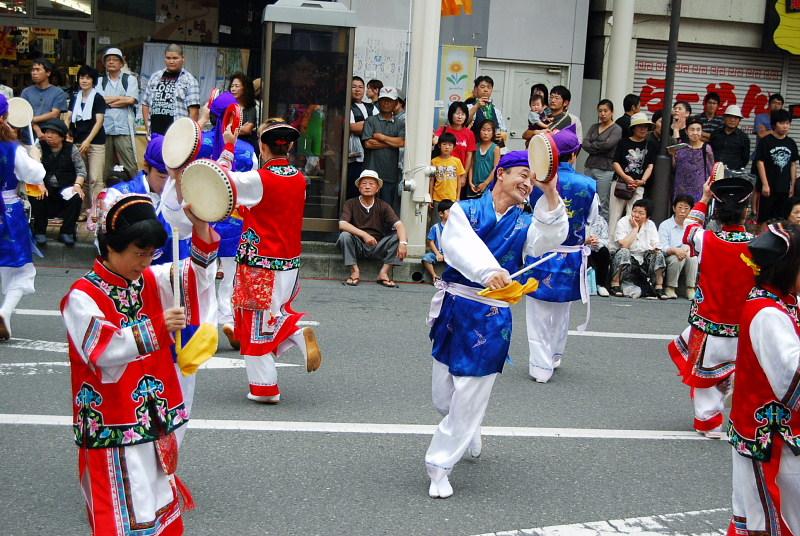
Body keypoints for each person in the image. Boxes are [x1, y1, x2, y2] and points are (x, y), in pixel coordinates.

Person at [61, 193, 220, 535]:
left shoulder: (148, 279)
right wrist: (160, 325)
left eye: (150, 254)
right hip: (113, 428)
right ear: (111, 247)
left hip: (153, 421)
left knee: (156, 509)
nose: (145, 262)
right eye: (138, 253)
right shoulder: (82, 296)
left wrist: (202, 229)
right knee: (124, 519)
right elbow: (103, 349)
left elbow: (196, 278)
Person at [425, 150, 567, 498]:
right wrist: (488, 270)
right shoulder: (465, 209)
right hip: (455, 307)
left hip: (491, 316)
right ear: (500, 173)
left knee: (470, 391)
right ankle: (467, 422)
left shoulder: (526, 223)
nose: (526, 183)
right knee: (443, 397)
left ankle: (439, 466)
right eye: (522, 174)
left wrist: (549, 192)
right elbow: (458, 244)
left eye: (531, 179)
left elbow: (550, 238)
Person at [189, 119, 323, 404]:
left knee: (255, 321)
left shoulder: (259, 178)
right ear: (287, 148)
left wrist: (228, 145)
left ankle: (265, 387)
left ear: (263, 147)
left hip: (260, 262)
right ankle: (297, 335)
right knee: (274, 311)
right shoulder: (299, 178)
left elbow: (220, 180)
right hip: (289, 262)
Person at [727, 222, 800, 536]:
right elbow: (791, 374)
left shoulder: (781, 302)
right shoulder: (768, 313)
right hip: (773, 439)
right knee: (778, 520)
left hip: (772, 434)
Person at [668, 175, 754, 437]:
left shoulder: (707, 239)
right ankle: (731, 388)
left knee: (705, 371)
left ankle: (709, 421)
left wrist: (704, 197)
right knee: (739, 366)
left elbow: (689, 228)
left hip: (709, 320)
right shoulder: (758, 244)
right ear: (746, 212)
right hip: (743, 322)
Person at [524, 124, 598, 383]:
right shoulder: (589, 185)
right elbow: (591, 219)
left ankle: (540, 366)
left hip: (541, 253)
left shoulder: (535, 182)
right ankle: (555, 356)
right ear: (575, 155)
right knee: (561, 312)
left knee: (538, 313)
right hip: (571, 256)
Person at [193, 92, 259, 350]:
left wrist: (202, 119)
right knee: (232, 276)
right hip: (235, 218)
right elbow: (252, 188)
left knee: (204, 275)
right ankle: (229, 319)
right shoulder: (246, 150)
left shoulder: (201, 143)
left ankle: (206, 327)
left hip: (204, 218)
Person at [103, 135, 191, 265]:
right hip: (135, 275)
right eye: (162, 176)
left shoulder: (185, 197)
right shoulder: (120, 196)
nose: (168, 184)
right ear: (146, 166)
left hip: (175, 275)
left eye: (174, 177)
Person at [0, 94, 46, 340]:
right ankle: (5, 312)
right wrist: (35, 156)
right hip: (7, 211)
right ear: (5, 118)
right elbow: (35, 175)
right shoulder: (11, 148)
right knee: (21, 269)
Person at [337, 169, 409, 287]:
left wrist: (403, 243)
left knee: (400, 236)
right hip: (357, 245)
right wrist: (364, 235)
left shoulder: (383, 205)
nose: (367, 187)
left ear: (377, 188)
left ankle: (383, 273)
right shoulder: (350, 203)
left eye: (371, 184)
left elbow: (399, 225)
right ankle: (354, 271)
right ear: (359, 187)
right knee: (344, 235)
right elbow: (342, 224)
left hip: (378, 245)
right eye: (364, 183)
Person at [30, 119, 86, 248]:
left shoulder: (71, 149)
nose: (48, 135)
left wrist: (77, 185)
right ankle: (39, 231)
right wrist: (39, 184)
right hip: (44, 186)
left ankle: (67, 232)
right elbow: (34, 166)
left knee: (76, 197)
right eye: (47, 132)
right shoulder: (39, 146)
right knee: (36, 195)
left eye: (52, 133)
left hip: (65, 187)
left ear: (61, 136)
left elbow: (81, 170)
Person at [608, 112, 655, 240]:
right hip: (621, 183)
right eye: (640, 126)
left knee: (634, 216)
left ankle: (630, 244)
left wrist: (643, 181)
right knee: (615, 215)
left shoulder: (650, 144)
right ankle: (611, 246)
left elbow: (650, 165)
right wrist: (625, 177)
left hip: (638, 185)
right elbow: (615, 162)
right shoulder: (623, 142)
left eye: (645, 126)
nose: (643, 129)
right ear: (633, 128)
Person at [609, 198, 667, 299]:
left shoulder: (651, 225)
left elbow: (656, 244)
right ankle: (615, 284)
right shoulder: (623, 222)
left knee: (659, 254)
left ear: (647, 217)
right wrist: (635, 228)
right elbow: (624, 245)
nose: (636, 215)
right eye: (634, 211)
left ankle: (659, 287)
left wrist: (655, 249)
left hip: (643, 260)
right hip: (627, 261)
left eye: (641, 213)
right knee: (624, 252)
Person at [65, 65, 107, 206]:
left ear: (93, 81)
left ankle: (96, 211)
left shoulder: (98, 98)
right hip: (77, 141)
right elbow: (68, 117)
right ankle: (83, 210)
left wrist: (88, 140)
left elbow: (99, 121)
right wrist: (66, 133)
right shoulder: (75, 96)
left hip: (96, 142)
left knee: (95, 178)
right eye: (82, 77)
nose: (84, 80)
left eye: (88, 78)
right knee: (82, 177)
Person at [97, 47, 140, 179]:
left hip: (124, 127)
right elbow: (99, 101)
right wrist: (122, 99)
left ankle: (137, 190)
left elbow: (131, 99)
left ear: (121, 63)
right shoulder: (100, 81)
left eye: (115, 60)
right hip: (105, 127)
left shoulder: (130, 79)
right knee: (104, 166)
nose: (111, 62)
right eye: (108, 60)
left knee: (131, 164)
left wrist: (109, 101)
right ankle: (102, 194)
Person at [142, 43, 200, 137]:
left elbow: (194, 112)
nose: (171, 61)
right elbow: (145, 104)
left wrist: (188, 136)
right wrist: (148, 128)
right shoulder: (155, 77)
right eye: (168, 58)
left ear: (183, 58)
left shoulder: (190, 80)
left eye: (175, 58)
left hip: (177, 136)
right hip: (155, 135)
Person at [362, 87, 405, 212]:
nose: (386, 103)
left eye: (389, 100)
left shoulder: (400, 123)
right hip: (371, 171)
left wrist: (381, 137)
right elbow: (368, 143)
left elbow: (402, 142)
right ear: (379, 102)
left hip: (390, 173)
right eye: (383, 100)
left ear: (396, 103)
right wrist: (392, 142)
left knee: (387, 207)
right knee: (368, 206)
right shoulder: (371, 120)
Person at [755, 108, 798, 223]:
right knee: (764, 220)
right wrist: (765, 184)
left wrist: (792, 185)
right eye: (782, 123)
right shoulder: (766, 141)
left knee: (782, 220)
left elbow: (793, 164)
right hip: (768, 188)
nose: (785, 126)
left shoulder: (791, 143)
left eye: (787, 123)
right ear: (774, 124)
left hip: (784, 188)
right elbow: (760, 162)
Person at [583, 98, 623, 221]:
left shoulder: (616, 129)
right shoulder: (594, 127)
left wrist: (593, 145)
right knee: (588, 198)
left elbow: (608, 145)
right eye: (600, 111)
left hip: (605, 169)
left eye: (605, 111)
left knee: (602, 202)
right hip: (590, 166)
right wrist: (599, 145)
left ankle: (602, 231)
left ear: (612, 112)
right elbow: (584, 143)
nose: (603, 114)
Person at [658, 195, 699, 299]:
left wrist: (687, 249)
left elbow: (697, 244)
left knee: (692, 257)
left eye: (686, 208)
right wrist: (674, 250)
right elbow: (662, 246)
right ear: (674, 208)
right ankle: (670, 287)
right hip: (669, 255)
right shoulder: (665, 225)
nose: (682, 211)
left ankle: (690, 288)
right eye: (680, 207)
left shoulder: (693, 226)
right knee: (677, 258)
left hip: (687, 253)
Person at [20, 58, 67, 145]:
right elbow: (23, 114)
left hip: (50, 138)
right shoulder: (26, 92)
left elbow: (54, 114)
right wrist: (37, 129)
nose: (34, 73)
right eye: (33, 70)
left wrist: (32, 119)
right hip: (28, 138)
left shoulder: (58, 92)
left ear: (48, 73)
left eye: (38, 70)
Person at [433, 101, 476, 194]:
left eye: (463, 114)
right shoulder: (443, 130)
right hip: (442, 175)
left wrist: (464, 176)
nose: (460, 117)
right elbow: (435, 141)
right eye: (457, 113)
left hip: (458, 175)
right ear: (451, 115)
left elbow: (469, 156)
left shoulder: (469, 134)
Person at [347, 76, 377, 199]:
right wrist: (372, 125)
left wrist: (363, 125)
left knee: (370, 189)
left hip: (371, 156)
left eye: (360, 87)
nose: (357, 90)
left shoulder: (371, 107)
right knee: (353, 188)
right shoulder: (347, 106)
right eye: (354, 87)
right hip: (354, 157)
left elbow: (381, 126)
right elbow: (352, 127)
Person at [672, 117, 713, 203]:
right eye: (692, 130)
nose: (695, 133)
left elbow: (711, 170)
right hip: (681, 189)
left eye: (698, 130)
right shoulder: (681, 147)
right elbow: (674, 166)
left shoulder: (706, 148)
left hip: (699, 190)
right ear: (686, 131)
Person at [466, 76, 508, 147]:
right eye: (482, 87)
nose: (486, 90)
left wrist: (502, 134)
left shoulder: (496, 111)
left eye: (489, 87)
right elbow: (464, 122)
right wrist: (476, 106)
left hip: (494, 149)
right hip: (475, 148)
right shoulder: (469, 107)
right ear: (476, 89)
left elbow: (503, 130)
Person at [430, 132, 466, 211]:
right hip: (437, 197)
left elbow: (459, 180)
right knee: (436, 221)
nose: (447, 147)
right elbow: (432, 180)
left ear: (454, 147)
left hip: (452, 198)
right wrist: (431, 196)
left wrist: (458, 197)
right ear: (439, 145)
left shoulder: (457, 161)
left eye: (450, 145)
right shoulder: (434, 161)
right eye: (444, 144)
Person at [709, 105, 750, 171]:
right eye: (730, 117)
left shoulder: (743, 138)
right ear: (724, 118)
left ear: (739, 120)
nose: (732, 120)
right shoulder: (715, 134)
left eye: (736, 118)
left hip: (733, 175)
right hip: (714, 172)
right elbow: (709, 152)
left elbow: (745, 159)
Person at [421, 199, 453, 283]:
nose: (452, 214)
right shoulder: (435, 227)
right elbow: (430, 241)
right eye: (449, 211)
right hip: (437, 253)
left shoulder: (455, 228)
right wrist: (437, 254)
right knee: (426, 258)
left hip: (450, 254)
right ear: (441, 214)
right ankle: (434, 275)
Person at [468, 119, 500, 198]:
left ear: (493, 133)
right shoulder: (475, 146)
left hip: (488, 186)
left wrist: (485, 183)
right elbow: (471, 165)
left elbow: (496, 168)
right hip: (474, 185)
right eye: (483, 130)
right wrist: (470, 182)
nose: (486, 133)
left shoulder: (495, 148)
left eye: (489, 130)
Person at [228, 72, 259, 150]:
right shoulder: (228, 106)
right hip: (229, 144)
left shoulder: (250, 108)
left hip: (246, 146)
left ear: (245, 88)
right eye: (232, 86)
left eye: (237, 86)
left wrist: (230, 127)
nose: (233, 89)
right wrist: (240, 128)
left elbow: (247, 130)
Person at [586, 213, 611, 297]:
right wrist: (585, 241)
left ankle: (601, 285)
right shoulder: (577, 217)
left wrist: (597, 242)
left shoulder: (601, 220)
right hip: (581, 248)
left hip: (595, 249)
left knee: (604, 251)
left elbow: (606, 240)